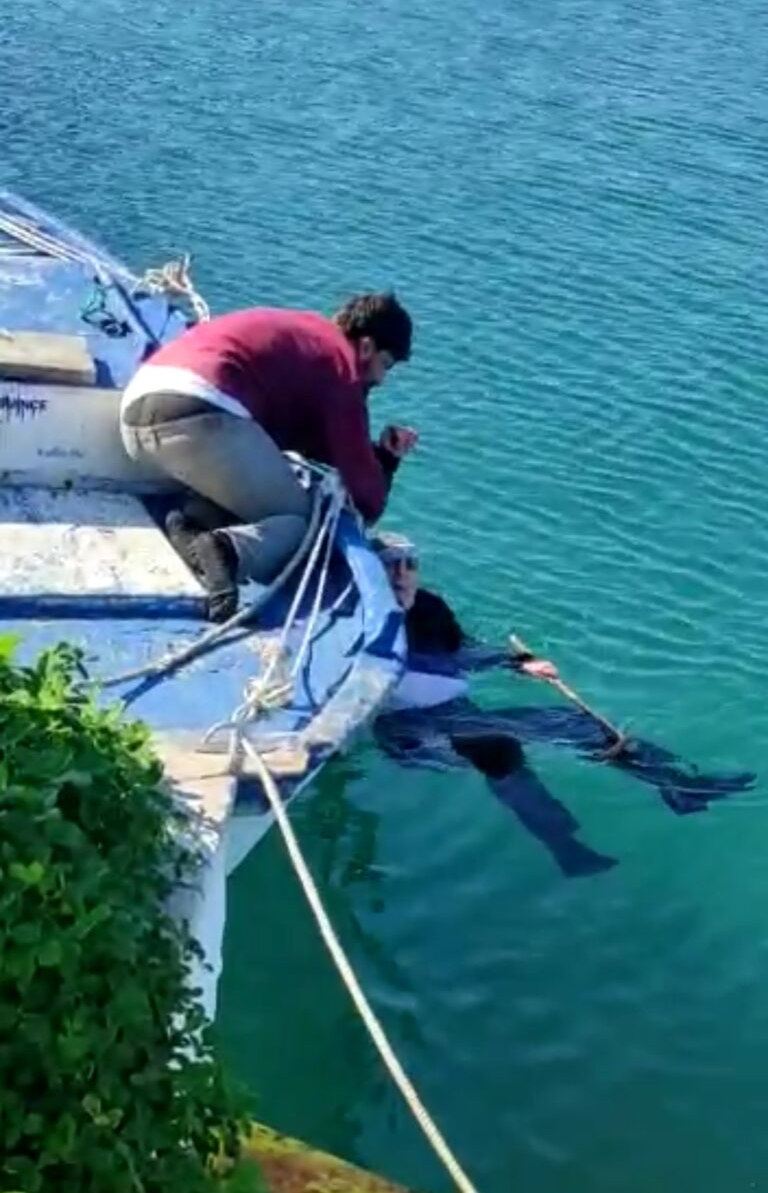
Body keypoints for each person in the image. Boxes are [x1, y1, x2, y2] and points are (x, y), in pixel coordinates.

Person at [373, 534, 755, 878]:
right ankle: (567, 850)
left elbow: (464, 651)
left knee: (579, 723)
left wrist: (518, 663)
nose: (402, 574)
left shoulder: (429, 607)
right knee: (498, 748)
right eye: (391, 565)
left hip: (459, 711)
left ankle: (681, 787)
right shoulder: (359, 619)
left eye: (410, 564)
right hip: (409, 731)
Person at [120, 294, 417, 621]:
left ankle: (192, 520)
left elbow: (306, 439)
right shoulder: (341, 366)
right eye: (385, 365)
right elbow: (366, 499)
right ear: (365, 347)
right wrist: (387, 462)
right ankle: (225, 550)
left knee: (264, 484)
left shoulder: (308, 337)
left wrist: (376, 453)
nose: (381, 379)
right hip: (198, 417)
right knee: (298, 523)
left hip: (139, 416)